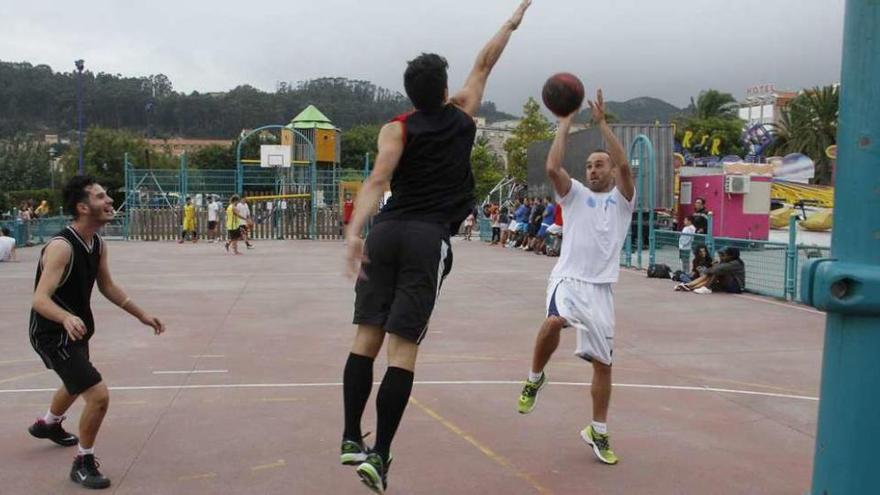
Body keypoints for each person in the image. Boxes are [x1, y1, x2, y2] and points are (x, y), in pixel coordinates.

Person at [340, 2, 532, 492]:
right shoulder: (462, 115)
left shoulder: (395, 128)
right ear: (446, 90)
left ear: (409, 93)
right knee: (402, 350)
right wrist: (511, 22)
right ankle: (379, 454)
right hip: (428, 237)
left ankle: (347, 436)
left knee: (366, 338)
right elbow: (485, 62)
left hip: (386, 230)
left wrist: (354, 232)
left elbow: (378, 178)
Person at [517, 89, 635, 466]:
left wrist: (601, 124)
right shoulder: (575, 194)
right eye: (588, 165)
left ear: (610, 171)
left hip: (601, 289)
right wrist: (565, 123)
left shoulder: (622, 201)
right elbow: (553, 169)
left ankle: (598, 432)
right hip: (568, 278)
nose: (593, 169)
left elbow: (627, 169)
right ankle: (535, 376)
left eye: (600, 164)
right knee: (554, 320)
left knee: (604, 365)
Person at [27, 176, 164, 489]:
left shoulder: (97, 244)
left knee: (76, 382)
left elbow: (108, 286)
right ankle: (83, 462)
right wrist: (64, 318)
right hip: (52, 332)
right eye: (102, 197)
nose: (110, 202)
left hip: (76, 330)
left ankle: (49, 424)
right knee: (98, 396)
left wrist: (142, 314)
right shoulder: (62, 247)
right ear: (82, 206)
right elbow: (39, 299)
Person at [677, 247, 745, 294]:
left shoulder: (735, 263)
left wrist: (707, 270)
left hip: (736, 287)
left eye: (724, 255)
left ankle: (702, 287)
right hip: (728, 284)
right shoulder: (728, 261)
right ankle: (688, 286)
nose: (723, 257)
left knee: (716, 272)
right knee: (713, 273)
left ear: (731, 256)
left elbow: (717, 269)